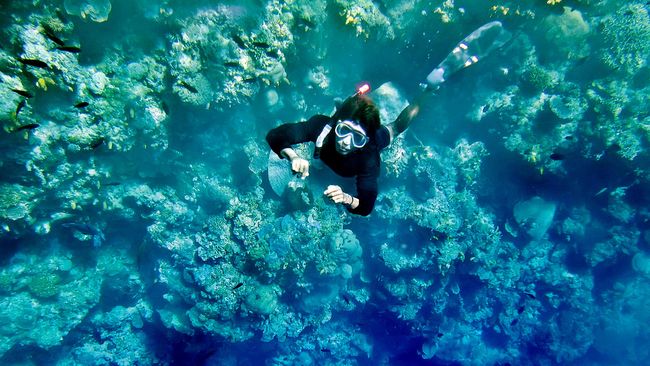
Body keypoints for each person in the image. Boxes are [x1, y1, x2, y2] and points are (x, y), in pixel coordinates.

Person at [266, 86, 421, 216]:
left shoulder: (369, 157)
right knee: (344, 110)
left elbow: (366, 206)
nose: (346, 141)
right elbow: (275, 135)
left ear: (365, 140)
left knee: (395, 128)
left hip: (367, 141)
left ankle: (426, 92)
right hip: (335, 125)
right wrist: (293, 156)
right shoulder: (322, 127)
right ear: (337, 125)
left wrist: (347, 198)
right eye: (344, 130)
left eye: (357, 137)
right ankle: (349, 101)